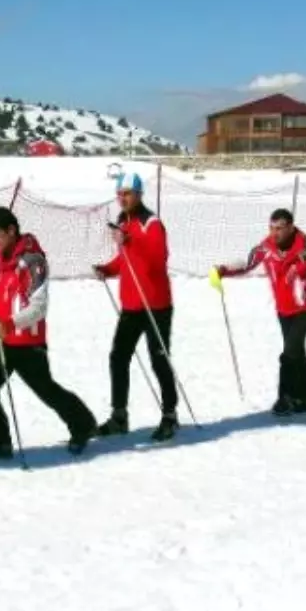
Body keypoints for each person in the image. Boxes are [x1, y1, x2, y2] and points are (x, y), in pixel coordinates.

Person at [0, 207, 98, 462]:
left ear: (11, 231)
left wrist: (8, 323)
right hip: (5, 339)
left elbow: (39, 308)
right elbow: (3, 297)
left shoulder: (33, 261)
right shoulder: (0, 260)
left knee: (46, 390)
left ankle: (82, 424)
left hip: (29, 342)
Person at [212, 208, 306, 415]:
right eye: (272, 228)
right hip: (283, 309)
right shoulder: (266, 247)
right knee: (297, 351)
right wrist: (223, 269)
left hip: (305, 308)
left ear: (291, 227)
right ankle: (305, 399)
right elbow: (247, 263)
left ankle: (286, 398)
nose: (275, 233)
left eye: (280, 228)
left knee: (289, 353)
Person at [91, 172, 178, 441]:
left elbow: (157, 258)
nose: (122, 198)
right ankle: (119, 416)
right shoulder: (123, 222)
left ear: (139, 194)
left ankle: (170, 416)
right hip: (131, 304)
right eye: (119, 193)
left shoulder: (150, 223)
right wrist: (108, 268)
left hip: (156, 304)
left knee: (159, 360)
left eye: (127, 193)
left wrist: (130, 240)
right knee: (118, 357)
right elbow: (126, 259)